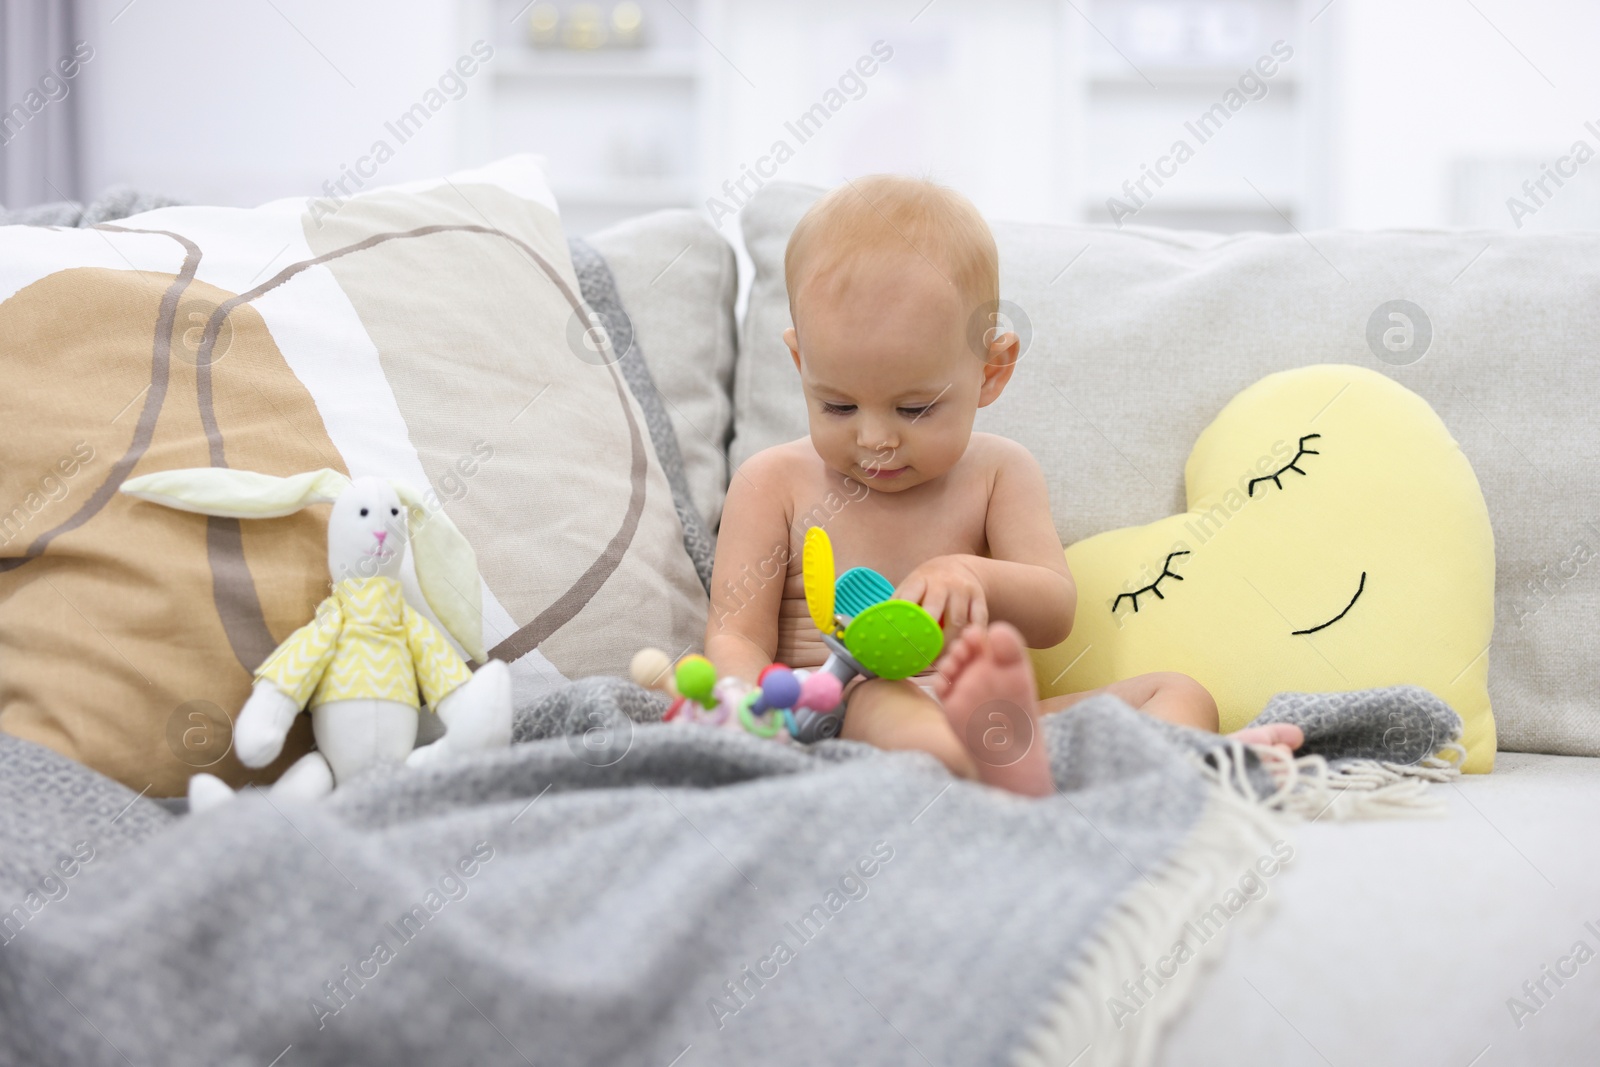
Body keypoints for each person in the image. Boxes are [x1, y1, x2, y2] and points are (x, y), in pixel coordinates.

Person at [704, 175, 1300, 796]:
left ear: (992, 372)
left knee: (1177, 691)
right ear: (802, 364)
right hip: (834, 720)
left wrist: (973, 573)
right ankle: (994, 780)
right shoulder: (772, 483)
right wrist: (747, 705)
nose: (875, 439)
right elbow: (735, 633)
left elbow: (1053, 612)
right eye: (837, 407)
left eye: (914, 410)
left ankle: (1186, 768)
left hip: (997, 726)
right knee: (879, 695)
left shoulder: (998, 473)